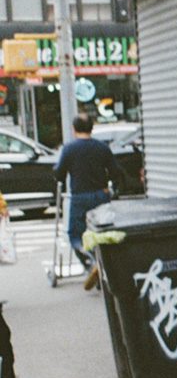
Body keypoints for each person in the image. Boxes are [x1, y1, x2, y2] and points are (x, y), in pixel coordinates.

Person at [53, 114, 121, 289]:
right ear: (92, 128)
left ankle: (91, 262)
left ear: (74, 129)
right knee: (101, 233)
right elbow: (115, 171)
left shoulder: (69, 149)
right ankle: (102, 263)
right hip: (101, 195)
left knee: (75, 234)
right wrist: (114, 191)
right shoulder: (102, 148)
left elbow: (59, 174)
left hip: (79, 196)